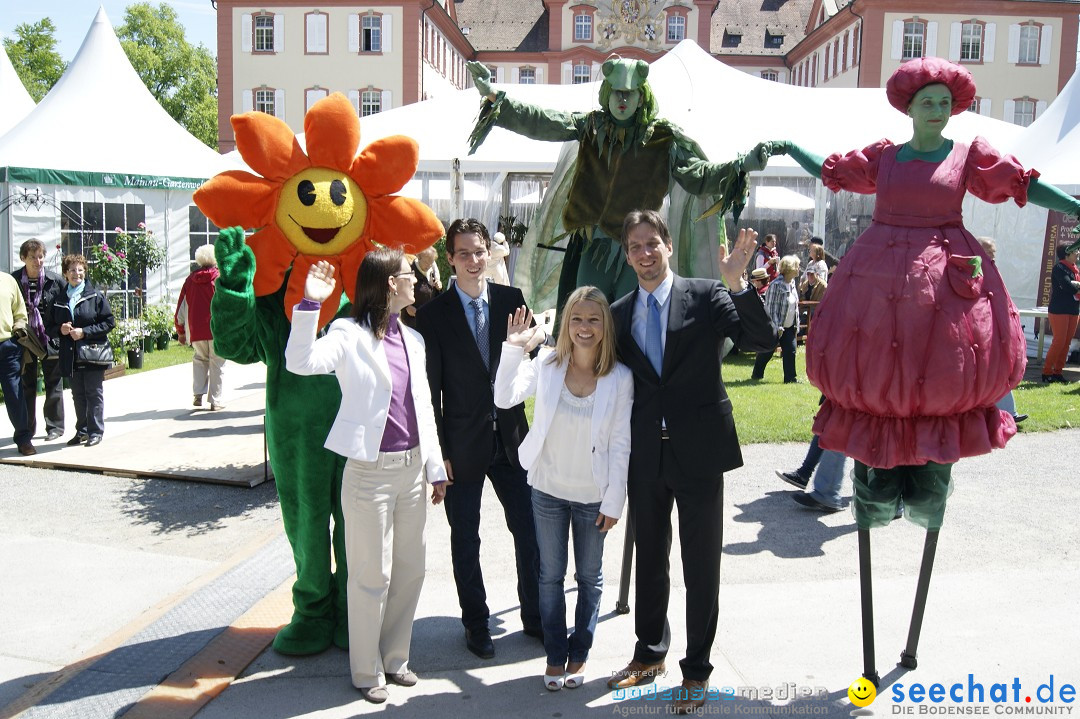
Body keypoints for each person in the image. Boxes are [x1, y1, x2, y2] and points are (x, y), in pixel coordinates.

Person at [769, 56, 1080, 682]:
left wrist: (1073, 200)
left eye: (944, 100)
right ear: (909, 106)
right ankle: (874, 491)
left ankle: (925, 493)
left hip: (944, 282)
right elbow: (834, 171)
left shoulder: (969, 156)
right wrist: (789, 146)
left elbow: (1020, 184)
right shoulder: (885, 156)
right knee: (875, 377)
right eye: (926, 100)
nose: (935, 109)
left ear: (952, 106)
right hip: (880, 277)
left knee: (940, 378)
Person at [606, 210, 776, 714]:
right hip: (646, 455)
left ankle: (696, 670)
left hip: (700, 453)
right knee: (649, 560)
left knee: (700, 566)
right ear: (627, 254)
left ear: (668, 246)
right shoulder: (618, 312)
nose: (644, 253)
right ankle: (649, 653)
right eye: (634, 246)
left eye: (651, 243)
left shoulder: (706, 294)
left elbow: (759, 342)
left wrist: (739, 284)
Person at [466, 57, 768, 311]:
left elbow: (698, 175)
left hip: (638, 251)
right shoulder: (591, 126)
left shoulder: (663, 139)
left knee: (632, 322)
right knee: (585, 315)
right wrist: (496, 96)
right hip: (592, 247)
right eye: (617, 93)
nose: (622, 100)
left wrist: (739, 166)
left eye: (630, 93)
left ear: (641, 97)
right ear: (607, 93)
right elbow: (543, 121)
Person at [285, 250, 447, 704]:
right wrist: (310, 304)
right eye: (407, 275)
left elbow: (423, 413)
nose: (415, 280)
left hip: (413, 472)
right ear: (387, 284)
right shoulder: (347, 333)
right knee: (370, 575)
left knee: (410, 570)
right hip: (368, 475)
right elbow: (300, 362)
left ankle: (395, 658)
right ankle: (365, 668)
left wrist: (434, 468)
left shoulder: (413, 340)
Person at [493, 287, 632, 692]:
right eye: (576, 319)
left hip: (594, 495)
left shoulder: (619, 378)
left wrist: (615, 499)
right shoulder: (548, 364)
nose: (584, 328)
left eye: (593, 319)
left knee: (589, 577)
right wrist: (513, 349)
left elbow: (622, 443)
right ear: (566, 323)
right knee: (549, 576)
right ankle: (556, 654)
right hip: (548, 490)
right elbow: (504, 397)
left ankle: (580, 651)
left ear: (605, 326)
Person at [416, 218, 542, 659]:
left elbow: (536, 359)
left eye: (480, 251)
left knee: (529, 530)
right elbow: (429, 394)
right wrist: (440, 457)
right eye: (464, 253)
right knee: (465, 538)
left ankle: (535, 614)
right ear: (449, 258)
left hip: (512, 442)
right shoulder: (433, 315)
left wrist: (534, 338)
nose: (473, 261)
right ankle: (476, 623)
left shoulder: (511, 300)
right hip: (461, 448)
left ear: (491, 253)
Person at [47, 254, 115, 448]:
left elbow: (109, 322)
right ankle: (82, 431)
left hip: (92, 352)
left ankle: (95, 431)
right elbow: (49, 326)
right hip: (70, 354)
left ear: (84, 272)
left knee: (93, 392)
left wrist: (84, 332)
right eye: (72, 270)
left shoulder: (95, 295)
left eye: (80, 270)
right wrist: (60, 330)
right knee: (77, 394)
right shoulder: (59, 298)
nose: (76, 273)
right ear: (66, 274)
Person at [12, 239, 65, 441]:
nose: (38, 261)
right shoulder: (14, 280)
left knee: (54, 383)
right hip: (24, 339)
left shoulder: (55, 281)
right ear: (23, 258)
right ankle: (27, 428)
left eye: (41, 256)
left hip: (49, 338)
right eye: (33, 257)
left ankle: (55, 427)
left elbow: (64, 309)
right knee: (26, 385)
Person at [977, 237, 1027, 422]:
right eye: (988, 251)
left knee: (1000, 369)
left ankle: (1008, 413)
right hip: (980, 328)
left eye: (993, 252)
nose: (991, 255)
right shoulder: (972, 267)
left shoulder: (992, 268)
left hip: (994, 328)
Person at [176, 244, 226, 409]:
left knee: (199, 359)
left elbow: (181, 308)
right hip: (216, 329)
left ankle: (198, 395)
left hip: (196, 330)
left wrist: (181, 331)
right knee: (217, 362)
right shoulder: (219, 278)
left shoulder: (190, 280)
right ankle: (215, 401)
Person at [751, 255, 801, 383]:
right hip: (776, 326)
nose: (799, 269)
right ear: (790, 268)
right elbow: (771, 308)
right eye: (797, 266)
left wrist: (796, 324)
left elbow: (794, 306)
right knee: (767, 352)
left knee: (791, 350)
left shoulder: (792, 284)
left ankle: (790, 378)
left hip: (789, 326)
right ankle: (757, 374)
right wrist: (777, 327)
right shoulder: (776, 285)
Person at [0, 271, 32, 455]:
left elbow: (20, 312)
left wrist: (18, 332)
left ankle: (23, 439)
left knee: (15, 393)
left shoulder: (8, 280)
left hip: (8, 347)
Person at [1041, 242, 1080, 383]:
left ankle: (1058, 372)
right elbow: (1067, 286)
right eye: (1075, 251)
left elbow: (1073, 287)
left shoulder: (1076, 269)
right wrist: (1076, 287)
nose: (1078, 253)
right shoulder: (1059, 268)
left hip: (1074, 309)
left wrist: (1076, 287)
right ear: (1067, 253)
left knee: (1067, 343)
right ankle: (1046, 372)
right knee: (1059, 341)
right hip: (1059, 310)